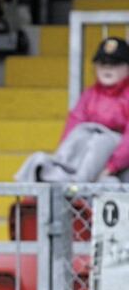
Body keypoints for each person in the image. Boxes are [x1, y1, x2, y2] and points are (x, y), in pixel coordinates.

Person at [15, 37, 129, 183]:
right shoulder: (90, 94)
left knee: (101, 141)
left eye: (115, 64)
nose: (107, 68)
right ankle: (47, 178)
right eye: (103, 63)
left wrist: (111, 166)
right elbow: (74, 124)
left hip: (115, 162)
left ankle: (77, 186)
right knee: (79, 133)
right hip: (87, 152)